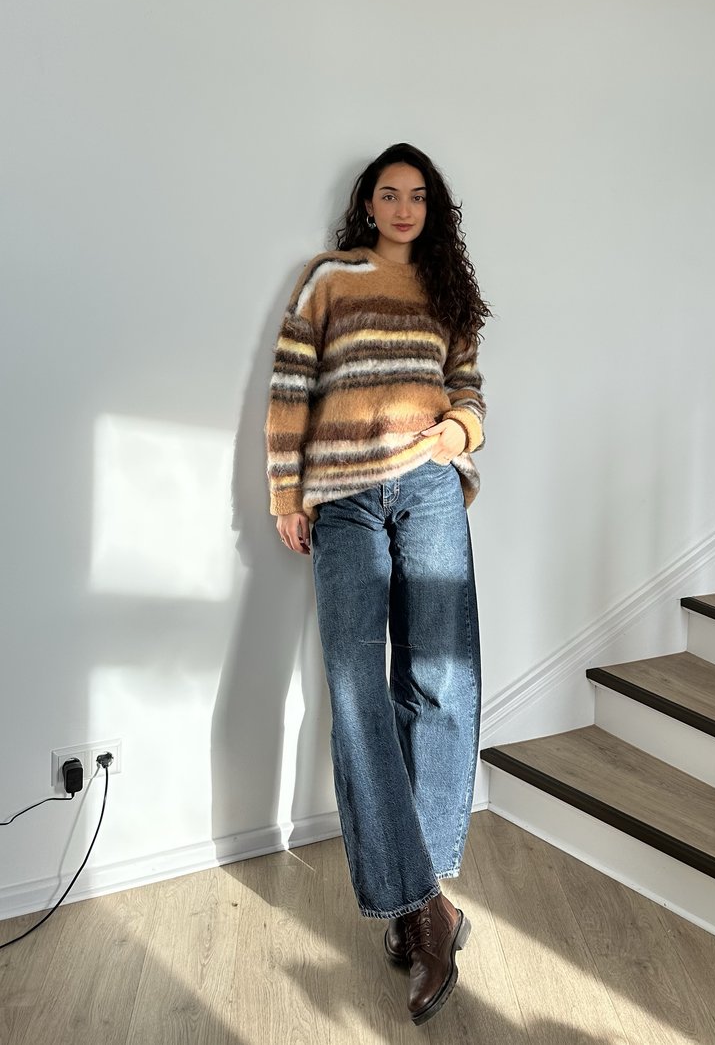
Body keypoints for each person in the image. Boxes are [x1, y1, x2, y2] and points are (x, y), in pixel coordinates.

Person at [265, 142, 489, 1026]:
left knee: (439, 684)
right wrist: (287, 492)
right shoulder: (327, 279)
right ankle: (429, 911)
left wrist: (458, 434)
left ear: (432, 209)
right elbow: (291, 386)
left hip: (428, 488)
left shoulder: (446, 290)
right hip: (345, 498)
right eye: (389, 194)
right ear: (367, 204)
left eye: (418, 196)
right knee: (358, 693)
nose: (403, 208)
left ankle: (413, 907)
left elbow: (469, 389)